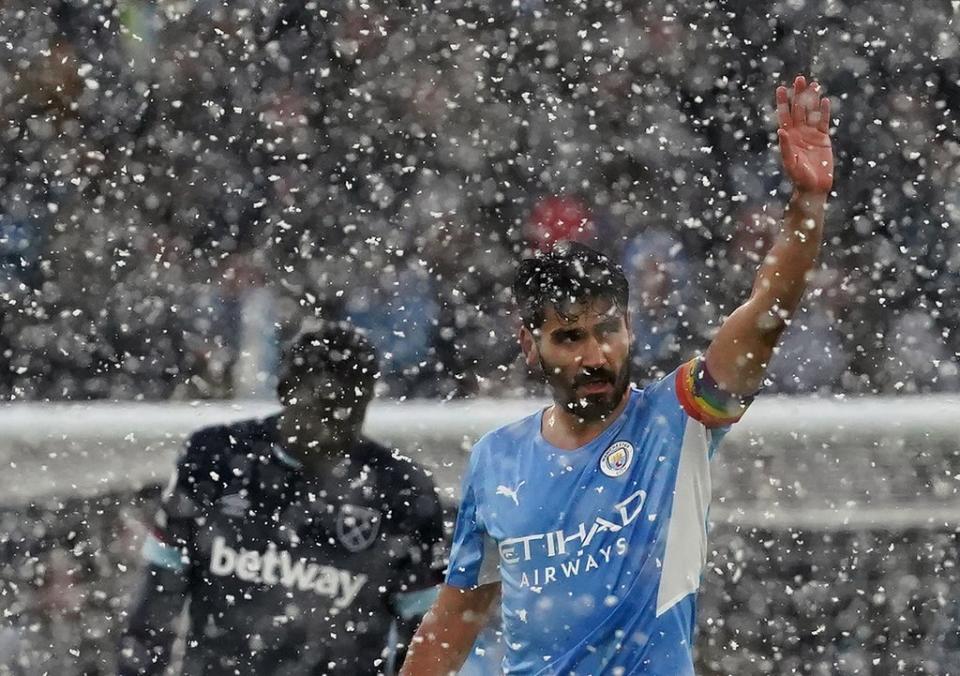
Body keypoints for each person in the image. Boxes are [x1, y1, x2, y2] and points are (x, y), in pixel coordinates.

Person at [400, 75, 834, 675]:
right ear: (531, 345)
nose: (595, 355)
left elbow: (764, 320)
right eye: (570, 337)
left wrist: (807, 206)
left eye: (607, 330)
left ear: (629, 327)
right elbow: (452, 627)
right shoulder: (497, 461)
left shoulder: (678, 419)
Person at [118, 320, 446, 675]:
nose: (339, 422)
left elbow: (428, 637)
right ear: (286, 389)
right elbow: (155, 606)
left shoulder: (401, 491)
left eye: (355, 407)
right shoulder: (213, 458)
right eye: (325, 404)